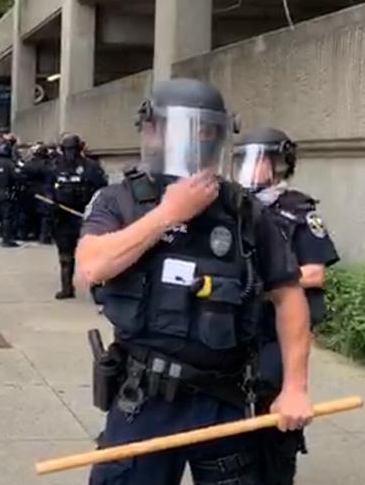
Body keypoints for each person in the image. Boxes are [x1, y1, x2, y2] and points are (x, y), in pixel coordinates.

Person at [78, 79, 313, 484]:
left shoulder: (245, 212)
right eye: (187, 129)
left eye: (209, 132)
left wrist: (295, 387)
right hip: (144, 399)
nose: (198, 141)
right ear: (150, 130)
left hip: (223, 399)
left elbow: (289, 298)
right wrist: (169, 214)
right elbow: (91, 267)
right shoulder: (120, 200)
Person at [232, 127, 340, 483]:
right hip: (237, 327)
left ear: (279, 164)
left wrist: (265, 283)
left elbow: (313, 272)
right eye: (244, 160)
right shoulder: (233, 207)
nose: (250, 168)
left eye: (259, 160)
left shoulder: (298, 211)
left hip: (277, 332)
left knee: (275, 413)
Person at [49, 134, 107, 299]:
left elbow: (102, 191)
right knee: (65, 256)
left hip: (85, 217)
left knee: (92, 255)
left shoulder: (91, 167)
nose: (70, 154)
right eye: (67, 150)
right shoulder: (56, 167)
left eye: (73, 149)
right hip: (63, 217)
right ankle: (67, 288)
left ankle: (97, 288)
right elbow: (48, 187)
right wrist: (52, 203)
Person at [0, 143, 21, 247]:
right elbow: (16, 177)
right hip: (6, 192)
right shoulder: (9, 164)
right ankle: (6, 240)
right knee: (7, 217)